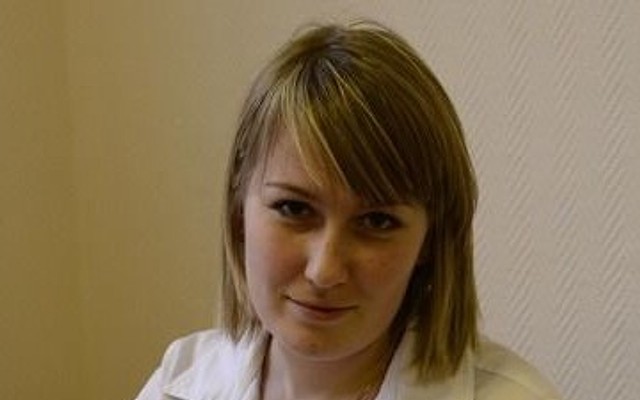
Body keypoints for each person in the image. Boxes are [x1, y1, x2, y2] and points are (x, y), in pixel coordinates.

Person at [135, 21, 562, 400]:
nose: (324, 271)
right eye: (293, 208)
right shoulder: (178, 381)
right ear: (238, 212)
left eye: (377, 221)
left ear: (430, 241)